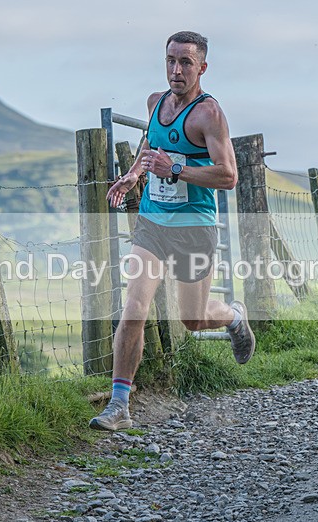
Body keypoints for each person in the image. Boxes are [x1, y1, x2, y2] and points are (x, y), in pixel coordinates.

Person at [90, 31, 255, 432]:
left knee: (193, 320)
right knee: (134, 308)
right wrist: (134, 174)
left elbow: (229, 176)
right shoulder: (155, 102)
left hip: (194, 227)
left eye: (185, 62)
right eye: (170, 60)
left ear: (202, 67)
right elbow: (151, 143)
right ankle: (119, 405)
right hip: (153, 223)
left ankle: (234, 316)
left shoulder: (209, 114)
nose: (176, 70)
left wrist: (176, 170)